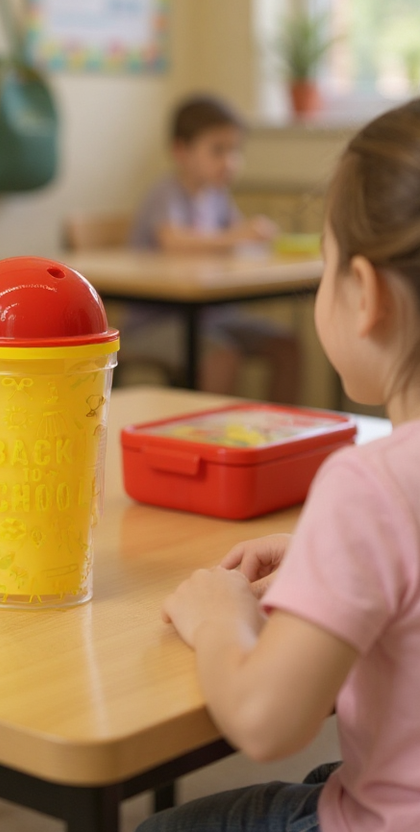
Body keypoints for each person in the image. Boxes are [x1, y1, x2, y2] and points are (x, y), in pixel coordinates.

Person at [138, 97, 420, 832]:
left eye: (325, 268)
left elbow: (265, 722)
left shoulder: (370, 485)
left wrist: (218, 616)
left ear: (367, 295)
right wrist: (338, 555)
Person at [125, 94, 300, 400]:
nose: (230, 162)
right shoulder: (166, 193)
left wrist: (258, 239)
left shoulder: (217, 196)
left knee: (286, 346)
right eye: (218, 150)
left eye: (235, 150)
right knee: (222, 357)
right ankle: (208, 431)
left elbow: (240, 241)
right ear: (181, 151)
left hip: (212, 316)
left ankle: (283, 427)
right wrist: (236, 237)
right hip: (156, 322)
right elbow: (173, 241)